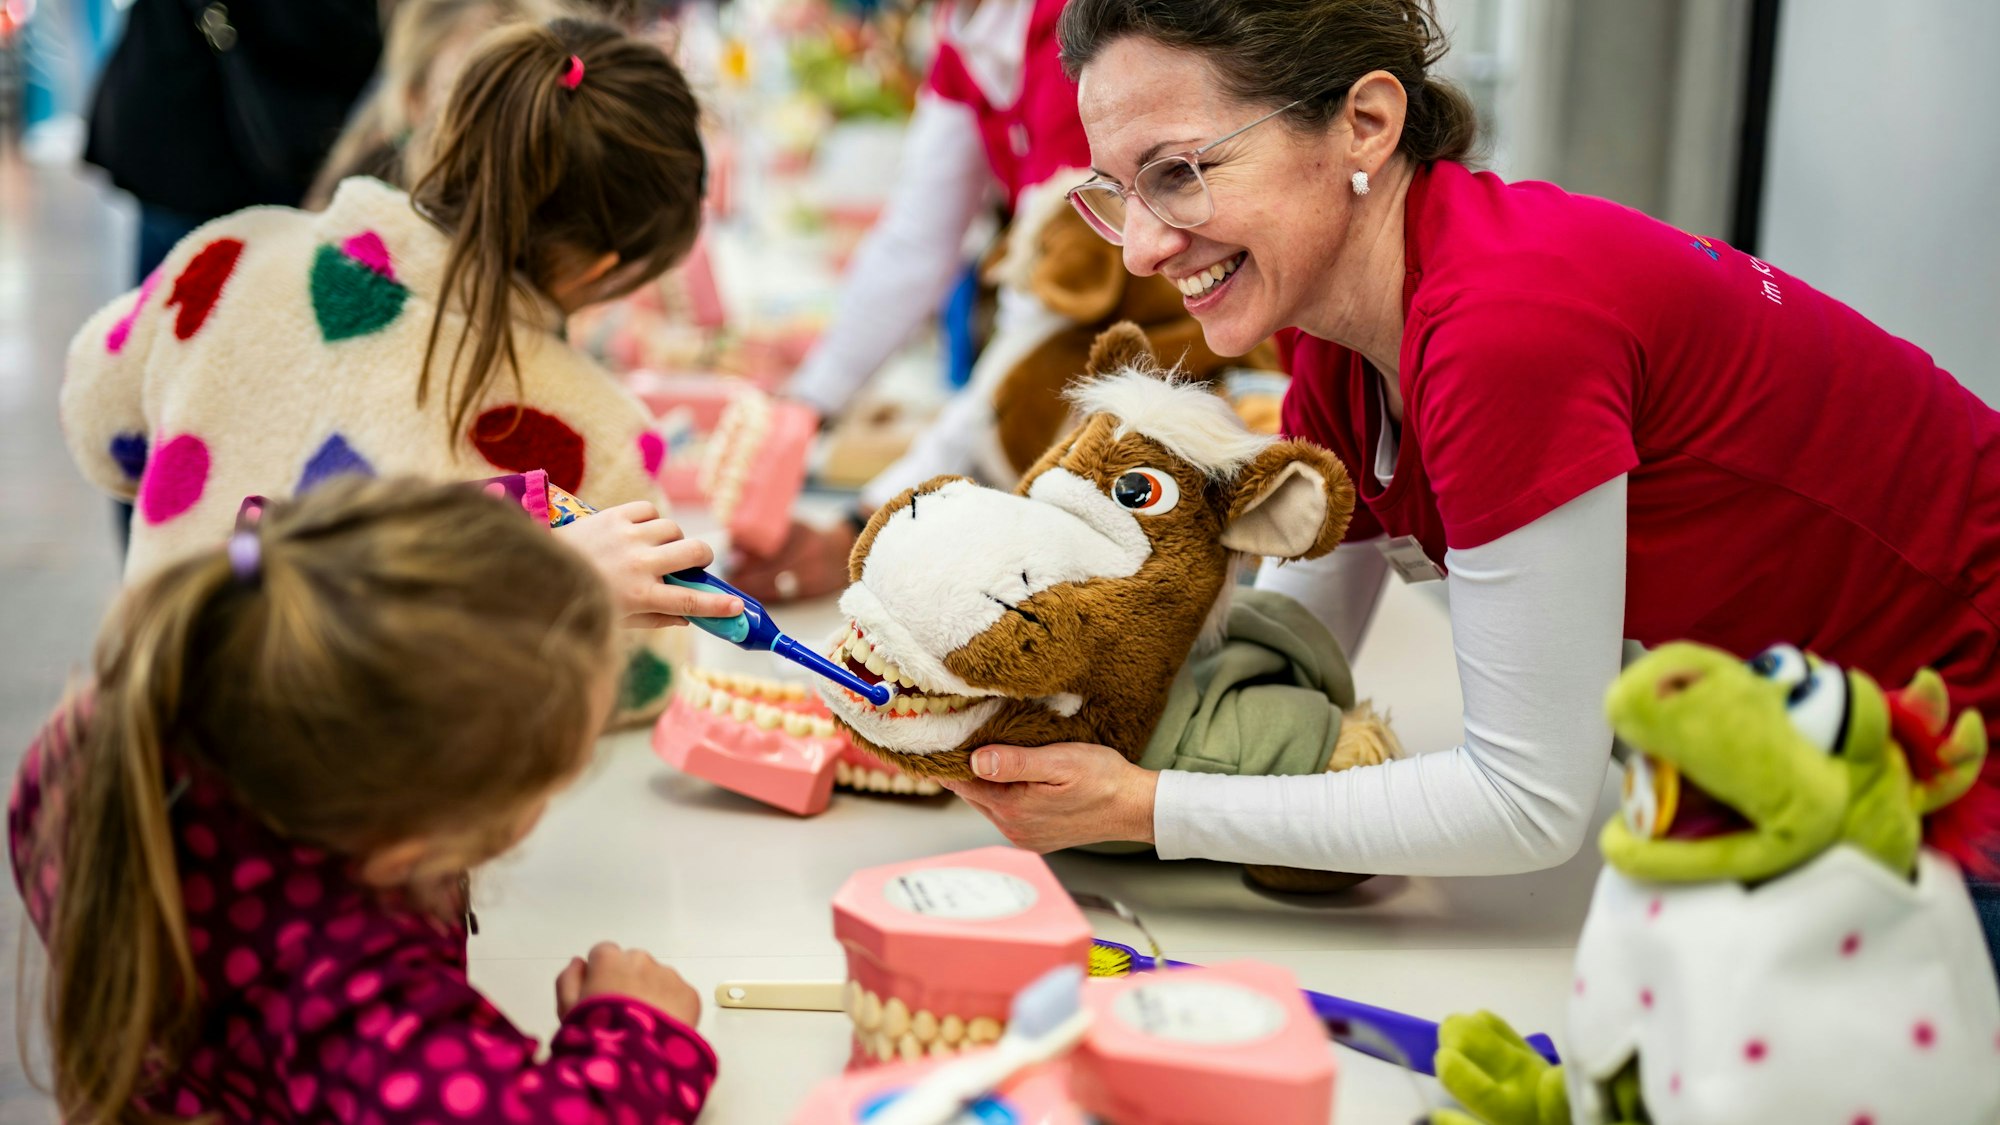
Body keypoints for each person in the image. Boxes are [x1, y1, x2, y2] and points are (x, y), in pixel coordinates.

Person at [939, 0, 2000, 951]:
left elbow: (1528, 802)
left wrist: (1142, 808)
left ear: (1363, 123)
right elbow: (1293, 660)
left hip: (1969, 744)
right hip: (1829, 751)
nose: (1136, 249)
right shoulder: (1340, 343)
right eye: (1113, 192)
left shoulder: (1501, 330)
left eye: (1178, 172)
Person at [61, 18, 739, 711]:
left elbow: (97, 427)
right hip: (333, 796)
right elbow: (634, 683)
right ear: (603, 268)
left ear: (443, 136)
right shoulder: (600, 430)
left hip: (144, 735)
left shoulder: (229, 257)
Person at [8, 477, 718, 1124]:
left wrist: (532, 580)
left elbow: (353, 562)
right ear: (419, 844)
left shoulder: (123, 728)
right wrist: (638, 1032)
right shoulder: (353, 1002)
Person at [728, 0, 1092, 604]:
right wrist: (806, 407)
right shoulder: (966, 31)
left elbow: (1049, 320)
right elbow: (915, 242)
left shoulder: (1073, 32)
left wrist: (867, 525)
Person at [307, 0, 559, 210]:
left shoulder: (556, 198)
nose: (495, 115)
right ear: (412, 99)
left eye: (519, 87)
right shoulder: (360, 221)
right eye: (468, 92)